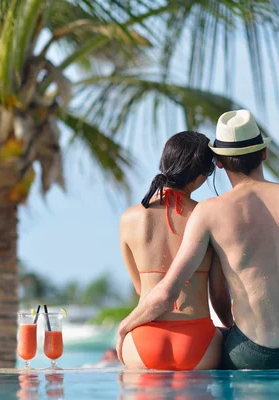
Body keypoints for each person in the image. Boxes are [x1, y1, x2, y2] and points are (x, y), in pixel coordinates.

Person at [117, 110, 279, 369]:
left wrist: (125, 326)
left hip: (254, 354)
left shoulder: (211, 211)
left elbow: (168, 293)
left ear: (220, 163)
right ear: (264, 154)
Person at [118, 131, 233, 371]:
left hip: (142, 339)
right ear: (201, 175)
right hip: (198, 341)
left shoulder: (130, 218)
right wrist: (232, 329)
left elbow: (143, 291)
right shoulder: (208, 217)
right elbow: (219, 296)